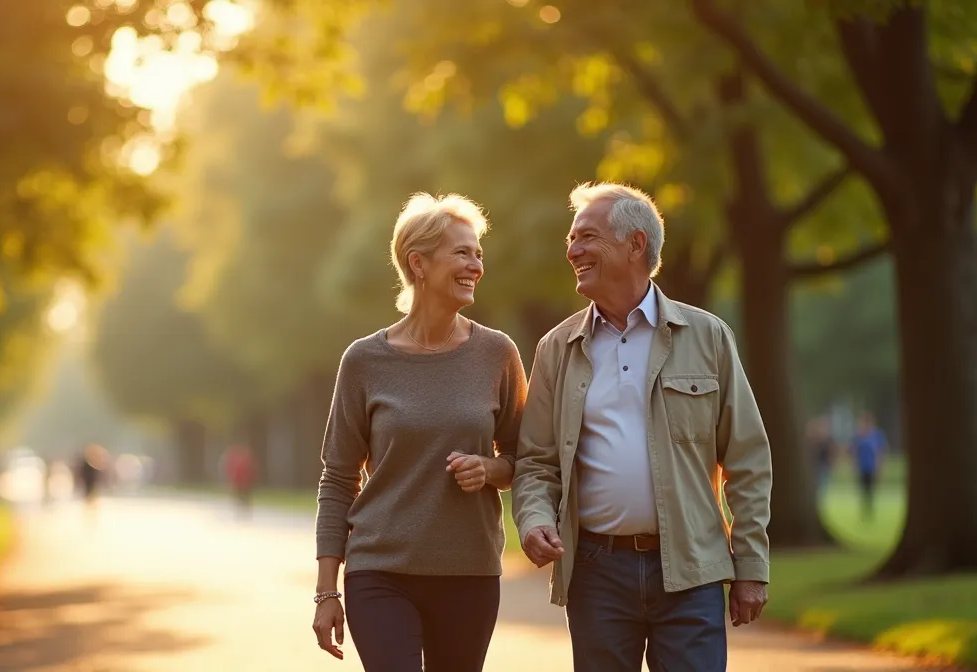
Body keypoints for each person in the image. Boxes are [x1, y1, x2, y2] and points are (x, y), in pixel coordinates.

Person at [511, 183, 773, 672]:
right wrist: (534, 519)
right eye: (571, 239)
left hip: (692, 570)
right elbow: (536, 462)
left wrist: (751, 566)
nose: (572, 251)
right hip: (597, 574)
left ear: (635, 244)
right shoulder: (556, 348)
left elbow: (747, 459)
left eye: (587, 237)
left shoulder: (708, 336)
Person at [312, 193, 528, 671]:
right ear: (418, 263)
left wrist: (489, 469)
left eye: (478, 254)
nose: (476, 265)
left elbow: (524, 459)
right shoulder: (364, 360)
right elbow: (338, 478)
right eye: (462, 253)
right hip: (379, 570)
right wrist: (327, 590)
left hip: (468, 572)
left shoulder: (497, 353)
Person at [850, 411, 886, 521]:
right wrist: (853, 465)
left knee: (870, 490)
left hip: (872, 467)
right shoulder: (858, 436)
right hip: (862, 467)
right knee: (862, 490)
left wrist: (880, 466)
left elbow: (880, 452)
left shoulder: (876, 435)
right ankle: (864, 512)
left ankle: (869, 511)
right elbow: (854, 452)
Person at [807, 416, 836, 502]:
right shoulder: (814, 440)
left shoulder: (828, 440)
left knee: (823, 484)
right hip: (817, 466)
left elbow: (831, 452)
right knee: (818, 483)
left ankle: (819, 498)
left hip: (824, 465)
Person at [222, 443, 256, 517]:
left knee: (244, 495)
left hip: (243, 481)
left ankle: (244, 507)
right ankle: (242, 508)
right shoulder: (241, 459)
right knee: (241, 494)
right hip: (241, 481)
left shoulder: (242, 459)